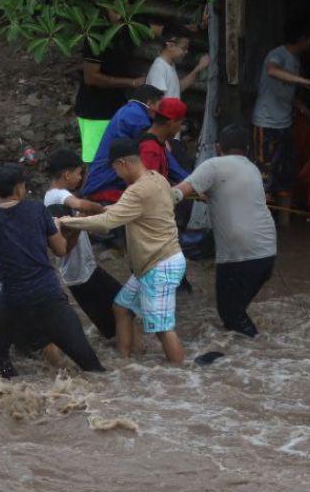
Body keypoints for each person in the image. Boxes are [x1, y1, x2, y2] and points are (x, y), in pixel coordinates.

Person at [0, 163, 106, 378]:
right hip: (48, 296)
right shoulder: (37, 210)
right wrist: (63, 228)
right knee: (91, 365)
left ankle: (16, 390)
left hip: (13, 301)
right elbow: (60, 250)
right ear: (20, 188)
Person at [62, 139, 187, 364]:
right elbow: (124, 211)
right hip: (154, 264)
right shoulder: (157, 179)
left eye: (116, 170)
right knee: (121, 307)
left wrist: (69, 222)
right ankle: (125, 364)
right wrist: (97, 211)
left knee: (162, 328)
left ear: (122, 164)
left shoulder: (137, 191)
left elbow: (107, 223)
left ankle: (182, 376)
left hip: (159, 264)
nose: (117, 175)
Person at [173, 124, 276, 337]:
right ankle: (251, 356)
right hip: (266, 255)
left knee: (231, 315)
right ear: (247, 149)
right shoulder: (252, 168)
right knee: (235, 313)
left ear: (219, 147)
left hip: (239, 257)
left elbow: (176, 195)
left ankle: (257, 352)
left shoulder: (213, 166)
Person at [43, 148, 120, 339]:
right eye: (79, 173)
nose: (80, 178)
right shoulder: (56, 195)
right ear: (67, 174)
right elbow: (81, 206)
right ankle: (125, 356)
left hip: (82, 270)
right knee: (119, 312)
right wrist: (102, 210)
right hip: (79, 273)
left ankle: (122, 355)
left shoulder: (53, 199)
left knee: (119, 308)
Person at [251, 23, 310, 221]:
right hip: (265, 124)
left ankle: (285, 225)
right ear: (303, 39)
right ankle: (259, 226)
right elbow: (272, 71)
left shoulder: (295, 61)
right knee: (264, 174)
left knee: (286, 175)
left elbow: (288, 95)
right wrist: (305, 81)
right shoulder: (278, 55)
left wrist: (308, 114)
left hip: (284, 125)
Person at [74, 19, 164, 163]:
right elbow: (91, 78)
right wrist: (131, 82)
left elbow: (157, 29)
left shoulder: (129, 29)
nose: (120, 15)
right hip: (94, 111)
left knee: (115, 159)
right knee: (95, 160)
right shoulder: (96, 38)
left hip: (115, 108)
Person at [82, 85, 188, 202]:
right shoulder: (135, 115)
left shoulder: (129, 111)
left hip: (106, 183)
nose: (160, 112)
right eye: (160, 105)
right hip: (106, 186)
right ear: (150, 103)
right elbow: (156, 143)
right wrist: (189, 182)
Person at [146, 27, 210, 101]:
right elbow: (156, 103)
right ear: (170, 46)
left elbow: (177, 88)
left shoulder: (169, 65)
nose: (186, 52)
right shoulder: (159, 68)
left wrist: (198, 68)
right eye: (183, 48)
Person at [138, 97, 188, 181]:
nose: (179, 129)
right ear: (171, 123)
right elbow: (148, 188)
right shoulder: (150, 149)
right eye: (180, 123)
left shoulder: (158, 143)